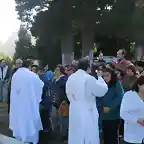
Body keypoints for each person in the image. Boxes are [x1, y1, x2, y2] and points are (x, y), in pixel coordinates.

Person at [66, 58, 108, 144]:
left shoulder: (71, 78)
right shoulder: (89, 78)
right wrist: (100, 78)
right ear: (88, 68)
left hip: (74, 109)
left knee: (76, 134)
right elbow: (101, 91)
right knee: (88, 135)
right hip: (87, 111)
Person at [9, 60, 44, 144]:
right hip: (29, 104)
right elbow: (40, 85)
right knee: (30, 122)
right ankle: (31, 139)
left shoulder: (15, 75)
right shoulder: (32, 75)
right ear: (29, 66)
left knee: (20, 121)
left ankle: (20, 138)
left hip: (18, 104)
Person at [102, 68, 124, 144]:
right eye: (104, 76)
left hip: (114, 115)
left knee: (113, 136)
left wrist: (110, 107)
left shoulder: (116, 83)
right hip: (104, 115)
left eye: (107, 75)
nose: (105, 78)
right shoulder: (102, 83)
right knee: (106, 136)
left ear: (112, 75)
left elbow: (120, 96)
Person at [120, 76, 144, 144]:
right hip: (133, 135)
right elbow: (123, 113)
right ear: (139, 85)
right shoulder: (129, 95)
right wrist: (137, 120)